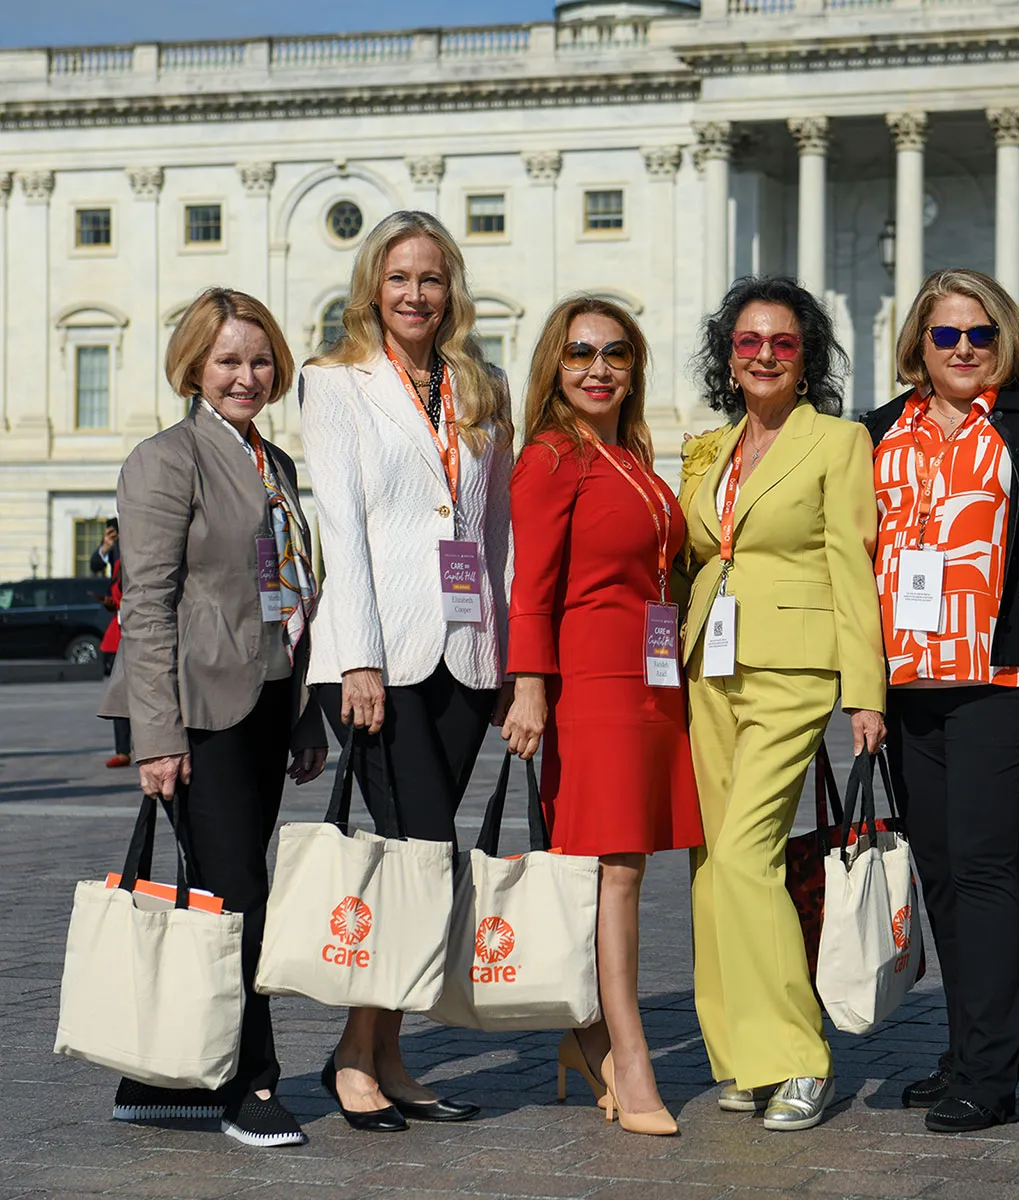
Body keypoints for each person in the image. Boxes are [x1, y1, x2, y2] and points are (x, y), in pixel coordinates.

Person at [860, 269, 1019, 1133]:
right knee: (938, 866)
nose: (963, 350)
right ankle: (963, 1051)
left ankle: (992, 1076)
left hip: (1006, 673)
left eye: (980, 335)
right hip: (905, 676)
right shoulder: (881, 429)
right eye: (946, 336)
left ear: (1005, 340)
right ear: (918, 346)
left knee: (982, 858)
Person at [299, 210, 514, 1133]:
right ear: (371, 288)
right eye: (398, 279)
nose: (415, 295)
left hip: (463, 653)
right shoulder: (334, 381)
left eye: (430, 279)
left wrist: (509, 660)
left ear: (451, 288)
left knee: (418, 864)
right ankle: (355, 1055)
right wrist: (358, 658)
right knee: (420, 852)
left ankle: (384, 1055)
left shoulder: (484, 385)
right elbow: (340, 526)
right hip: (376, 655)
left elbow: (492, 531)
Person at [100, 287, 327, 1147]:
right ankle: (250, 1083)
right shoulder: (169, 459)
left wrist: (306, 719)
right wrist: (155, 737)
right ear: (194, 365)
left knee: (220, 893)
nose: (247, 374)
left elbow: (289, 600)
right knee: (238, 894)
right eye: (228, 359)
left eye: (260, 359)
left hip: (267, 703)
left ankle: (170, 1076)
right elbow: (149, 605)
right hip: (199, 713)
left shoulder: (275, 462)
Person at [676, 275, 886, 1132]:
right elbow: (691, 556)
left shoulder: (837, 443)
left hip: (794, 667)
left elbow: (852, 564)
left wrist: (864, 693)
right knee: (709, 863)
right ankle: (742, 1056)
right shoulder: (709, 448)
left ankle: (799, 1057)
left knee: (746, 856)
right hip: (706, 667)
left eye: (783, 343)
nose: (765, 355)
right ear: (730, 356)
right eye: (750, 342)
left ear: (807, 359)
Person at [501, 296, 703, 1137]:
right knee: (612, 870)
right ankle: (627, 1054)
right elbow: (533, 584)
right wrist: (529, 685)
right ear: (555, 365)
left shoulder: (633, 458)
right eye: (581, 353)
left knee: (628, 869)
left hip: (652, 681)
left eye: (615, 354)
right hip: (592, 679)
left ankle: (586, 1036)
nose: (598, 368)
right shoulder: (550, 457)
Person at [95, 520, 133, 769]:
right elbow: (95, 565)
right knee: (120, 690)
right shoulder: (117, 555)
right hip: (120, 631)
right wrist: (105, 547)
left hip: (142, 628)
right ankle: (122, 750)